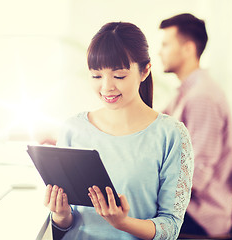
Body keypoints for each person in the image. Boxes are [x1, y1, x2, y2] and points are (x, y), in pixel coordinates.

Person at [43, 22, 194, 240]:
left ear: (145, 71)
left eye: (119, 76)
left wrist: (123, 223)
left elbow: (170, 226)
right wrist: (60, 214)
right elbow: (67, 223)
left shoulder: (171, 135)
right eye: (96, 76)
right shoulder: (73, 129)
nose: (106, 87)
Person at [158, 13, 232, 237]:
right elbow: (153, 134)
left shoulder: (202, 97)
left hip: (201, 216)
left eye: (165, 44)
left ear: (188, 49)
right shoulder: (186, 93)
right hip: (187, 210)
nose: (159, 51)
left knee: (128, 220)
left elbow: (197, 175)